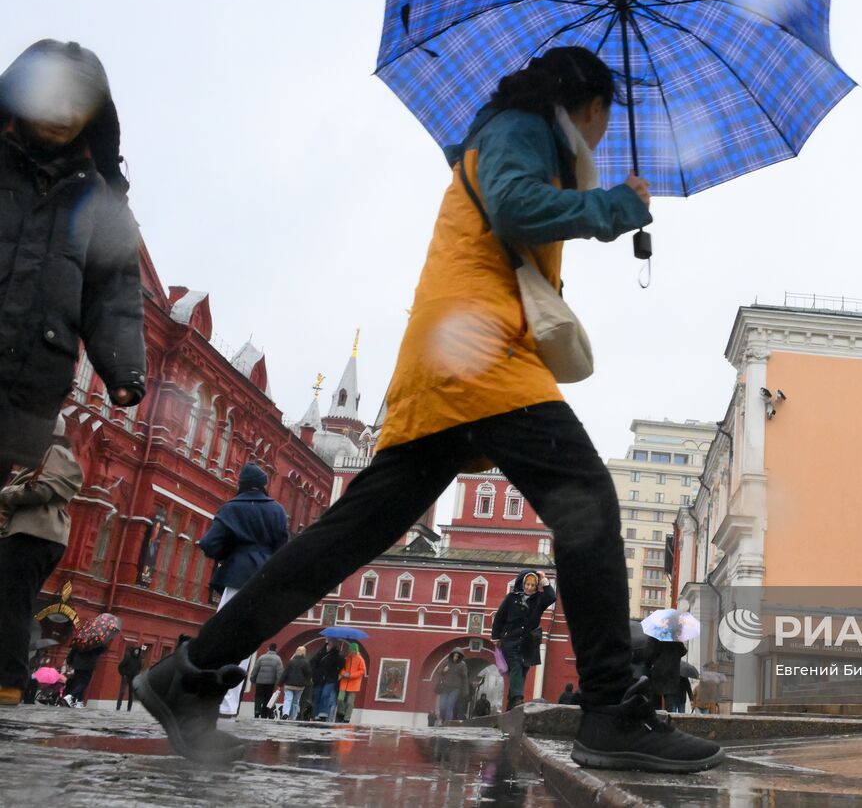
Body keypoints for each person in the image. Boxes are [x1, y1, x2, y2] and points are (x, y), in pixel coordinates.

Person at [134, 46, 723, 773]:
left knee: (351, 533)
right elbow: (512, 205)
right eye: (607, 115)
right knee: (588, 500)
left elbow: (511, 227)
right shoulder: (520, 129)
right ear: (589, 104)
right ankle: (608, 709)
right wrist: (612, 208)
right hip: (477, 351)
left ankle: (189, 672)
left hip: (453, 353)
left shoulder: (523, 138)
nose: (606, 132)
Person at [0, 40, 146, 487]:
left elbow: (115, 289)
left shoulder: (101, 201)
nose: (64, 111)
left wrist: (122, 366)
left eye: (79, 103)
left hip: (24, 385)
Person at [196, 462, 288, 718]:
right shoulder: (277, 511)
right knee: (246, 640)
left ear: (242, 484)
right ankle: (229, 703)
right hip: (264, 580)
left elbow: (211, 544)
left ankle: (214, 698)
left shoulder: (233, 508)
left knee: (222, 634)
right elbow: (284, 548)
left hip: (237, 576)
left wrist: (228, 552)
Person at [0, 417, 81, 706]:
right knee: (11, 606)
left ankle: (9, 682)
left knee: (13, 607)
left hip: (33, 537)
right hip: (34, 536)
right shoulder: (44, 456)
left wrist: (5, 495)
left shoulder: (54, 453)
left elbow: (42, 490)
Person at [491, 570, 556, 711]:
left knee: (523, 671)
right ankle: (518, 699)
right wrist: (496, 637)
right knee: (516, 666)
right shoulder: (511, 598)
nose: (530, 587)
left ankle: (511, 705)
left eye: (533, 585)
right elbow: (500, 617)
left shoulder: (539, 599)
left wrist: (544, 579)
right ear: (522, 583)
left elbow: (551, 596)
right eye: (527, 584)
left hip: (529, 641)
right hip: (511, 639)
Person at [63, 640, 105, 707]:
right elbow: (101, 651)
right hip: (87, 666)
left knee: (79, 683)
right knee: (84, 683)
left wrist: (70, 662)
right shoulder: (95, 642)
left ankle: (79, 702)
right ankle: (71, 695)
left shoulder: (79, 641)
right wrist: (102, 643)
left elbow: (72, 652)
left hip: (77, 665)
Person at [309, 641, 344, 722]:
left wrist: (341, 658)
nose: (330, 645)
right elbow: (313, 662)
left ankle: (323, 712)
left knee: (325, 694)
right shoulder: (320, 652)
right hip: (319, 677)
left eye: (332, 643)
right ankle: (316, 714)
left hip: (330, 678)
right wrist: (314, 673)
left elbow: (341, 665)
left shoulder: (337, 654)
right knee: (317, 695)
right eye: (330, 643)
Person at [249, 644, 283, 719]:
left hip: (259, 682)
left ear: (268, 649)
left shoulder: (261, 657)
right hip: (270, 683)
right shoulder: (278, 659)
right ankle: (264, 714)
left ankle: (257, 711)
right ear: (276, 649)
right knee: (267, 698)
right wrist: (279, 683)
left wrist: (253, 679)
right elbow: (279, 672)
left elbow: (255, 670)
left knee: (258, 697)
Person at [435, 649, 469, 723]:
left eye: (457, 656)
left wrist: (465, 690)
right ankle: (442, 718)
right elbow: (439, 672)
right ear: (452, 655)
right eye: (454, 655)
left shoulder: (462, 665)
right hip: (445, 687)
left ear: (460, 657)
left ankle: (448, 723)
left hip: (455, 689)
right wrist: (444, 670)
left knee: (449, 705)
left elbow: (465, 678)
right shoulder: (447, 662)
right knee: (442, 706)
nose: (455, 657)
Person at [280, 646, 311, 720]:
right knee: (295, 701)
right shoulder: (306, 662)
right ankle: (293, 717)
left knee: (288, 699)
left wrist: (280, 683)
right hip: (300, 686)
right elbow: (308, 674)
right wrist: (306, 682)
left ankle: (285, 713)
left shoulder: (291, 661)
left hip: (289, 685)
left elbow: (285, 673)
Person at [338, 642, 366, 722]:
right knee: (340, 699)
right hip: (344, 683)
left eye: (351, 650)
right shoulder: (347, 658)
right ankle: (342, 713)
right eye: (349, 650)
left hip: (354, 684)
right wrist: (343, 673)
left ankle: (347, 718)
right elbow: (342, 668)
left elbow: (362, 671)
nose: (349, 651)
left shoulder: (360, 659)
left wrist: (351, 675)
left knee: (350, 703)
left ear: (355, 650)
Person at [115, 644, 147, 711]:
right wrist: (123, 674)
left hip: (133, 678)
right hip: (126, 677)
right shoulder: (128, 657)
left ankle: (129, 709)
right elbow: (120, 666)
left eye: (138, 651)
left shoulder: (139, 660)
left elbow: (140, 668)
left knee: (131, 694)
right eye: (136, 651)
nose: (137, 652)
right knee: (122, 692)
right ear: (133, 651)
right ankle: (118, 707)